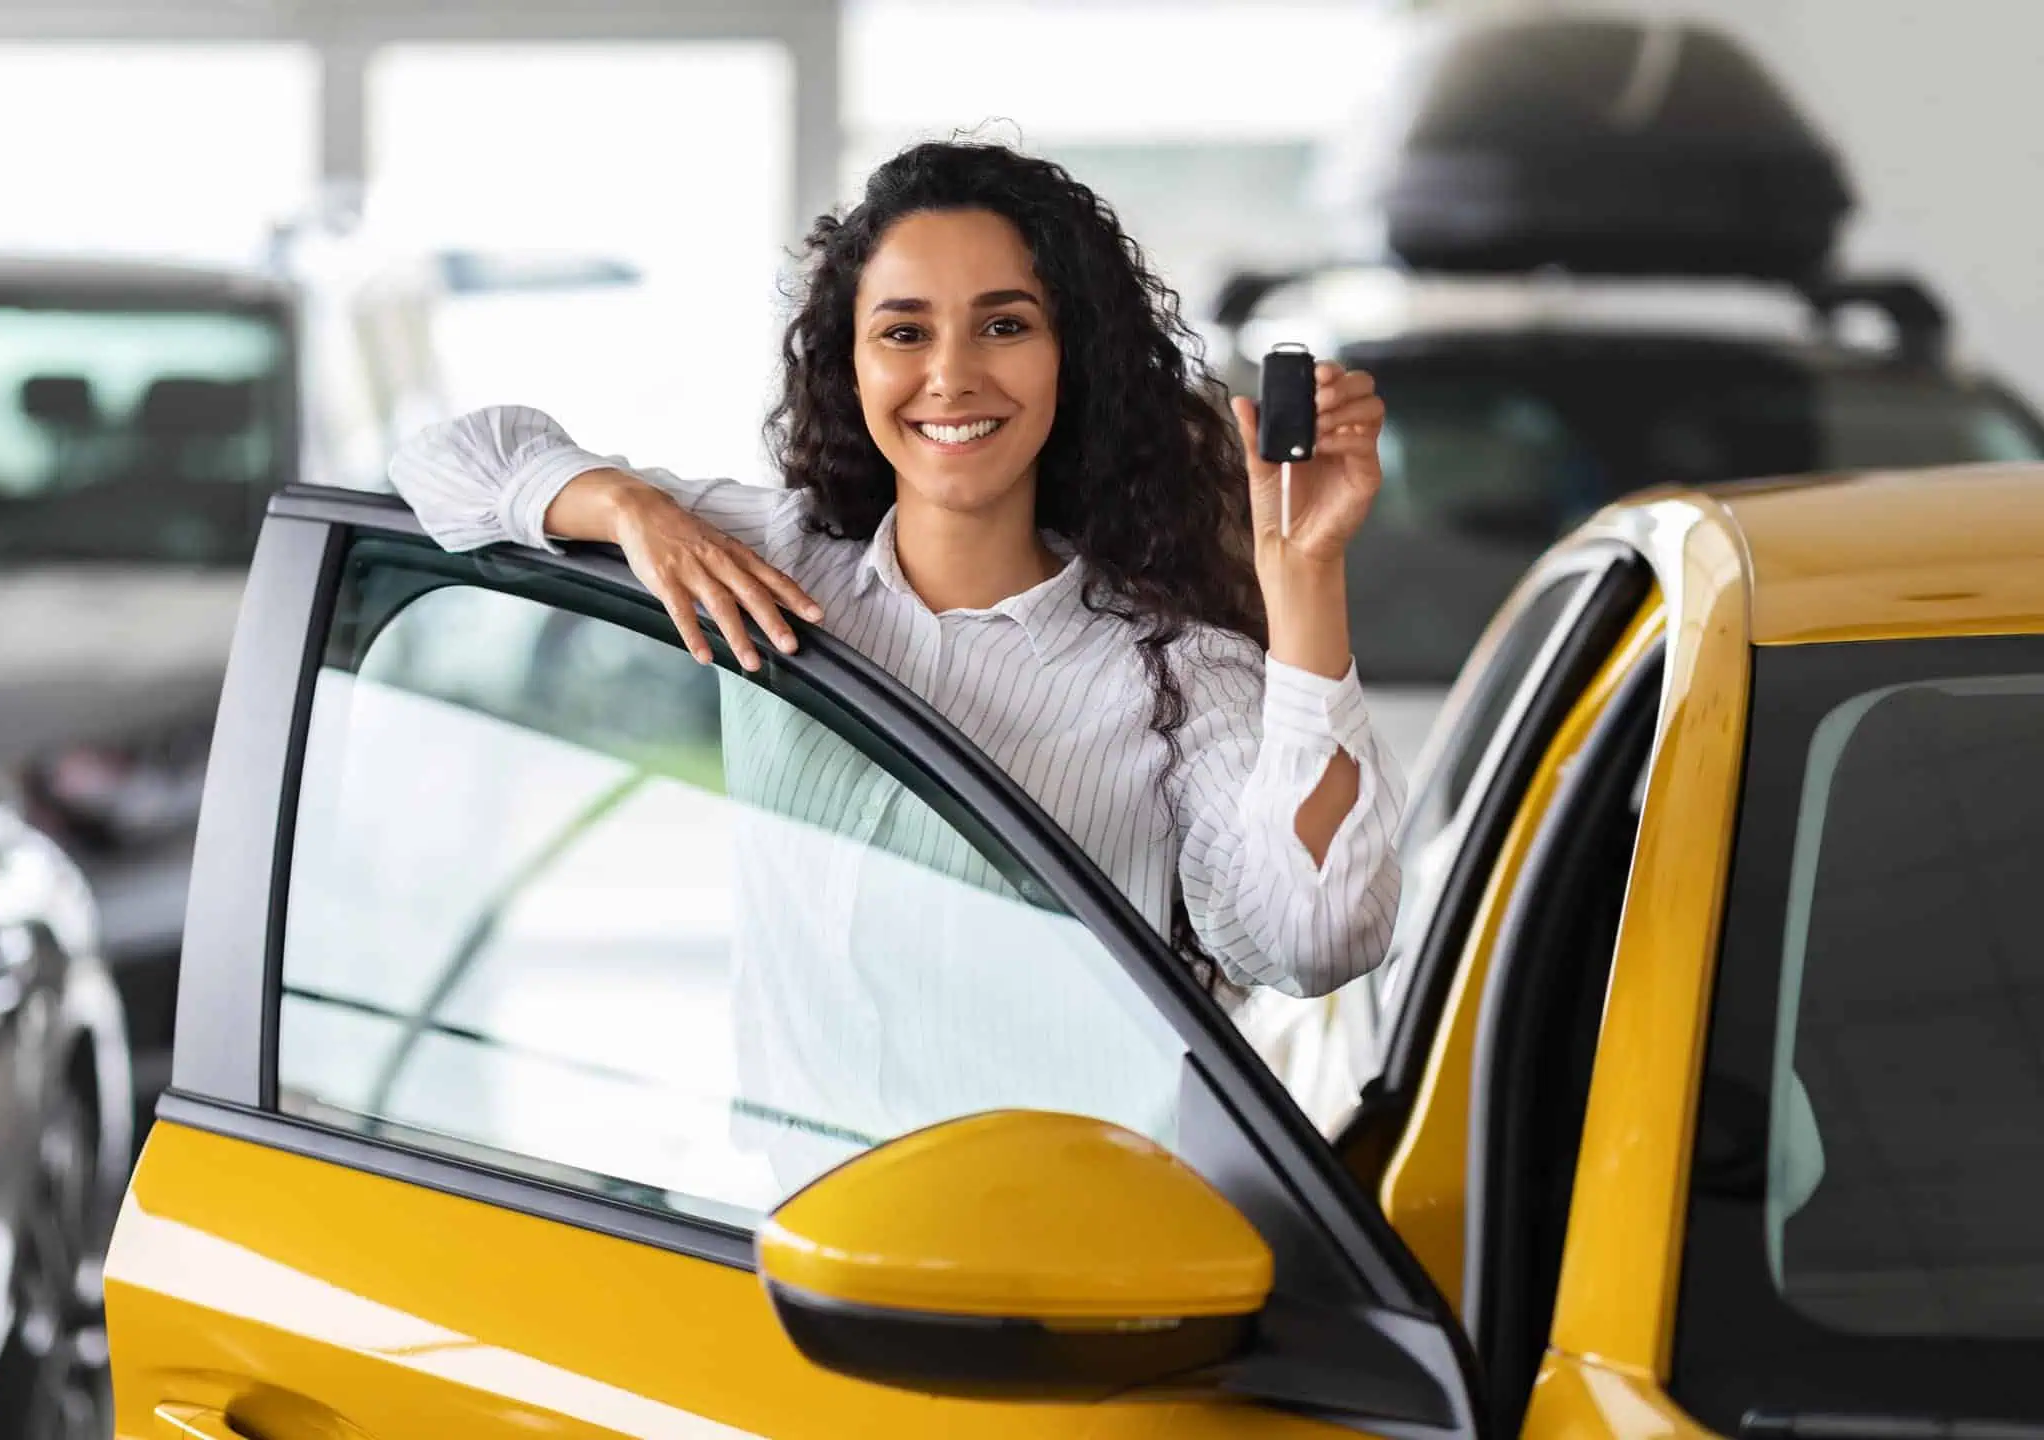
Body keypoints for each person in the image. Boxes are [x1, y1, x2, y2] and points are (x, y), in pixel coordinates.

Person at [388, 141, 1405, 1185]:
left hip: (1078, 1260)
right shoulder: (766, 556)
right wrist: (628, 509)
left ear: (1074, 360)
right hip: (792, 1242)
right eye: (904, 332)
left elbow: (1315, 938)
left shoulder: (1176, 676)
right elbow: (444, 461)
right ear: (851, 363)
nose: (951, 375)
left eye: (1004, 326)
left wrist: (1305, 573)